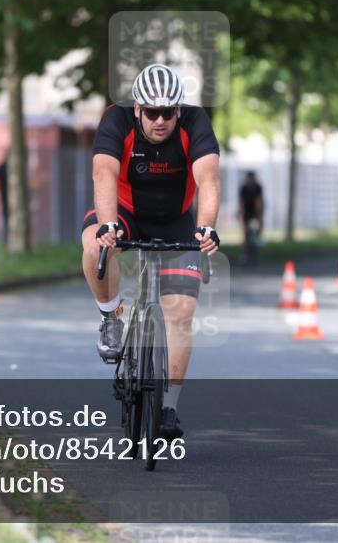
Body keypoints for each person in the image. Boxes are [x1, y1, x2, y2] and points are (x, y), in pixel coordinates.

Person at [81, 63, 221, 440]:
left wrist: (206, 226)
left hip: (175, 219)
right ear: (138, 109)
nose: (160, 120)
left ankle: (169, 407)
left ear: (179, 110)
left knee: (181, 312)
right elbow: (103, 174)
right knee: (95, 244)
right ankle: (111, 317)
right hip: (124, 212)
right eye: (152, 112)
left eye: (169, 112)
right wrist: (109, 225)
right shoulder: (117, 120)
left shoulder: (195, 122)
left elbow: (208, 177)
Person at [238, 171, 264, 264]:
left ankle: (257, 253)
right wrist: (241, 213)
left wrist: (259, 217)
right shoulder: (244, 188)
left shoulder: (258, 187)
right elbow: (241, 202)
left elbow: (259, 202)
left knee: (258, 232)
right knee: (245, 234)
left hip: (256, 213)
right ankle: (244, 254)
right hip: (247, 212)